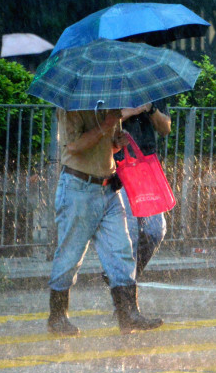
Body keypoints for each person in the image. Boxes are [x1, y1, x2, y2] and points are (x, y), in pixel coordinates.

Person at [48, 107, 164, 336]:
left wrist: (117, 142)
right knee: (71, 255)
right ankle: (58, 316)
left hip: (109, 187)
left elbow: (108, 147)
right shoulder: (71, 109)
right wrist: (107, 124)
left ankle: (128, 314)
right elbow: (74, 147)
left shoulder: (108, 107)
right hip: (79, 188)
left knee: (121, 251)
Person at [113, 98, 172, 278]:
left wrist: (151, 108)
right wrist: (130, 111)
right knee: (129, 232)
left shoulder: (151, 91)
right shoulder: (112, 89)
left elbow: (165, 129)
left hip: (146, 167)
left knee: (155, 229)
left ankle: (129, 275)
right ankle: (125, 286)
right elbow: (100, 124)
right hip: (119, 167)